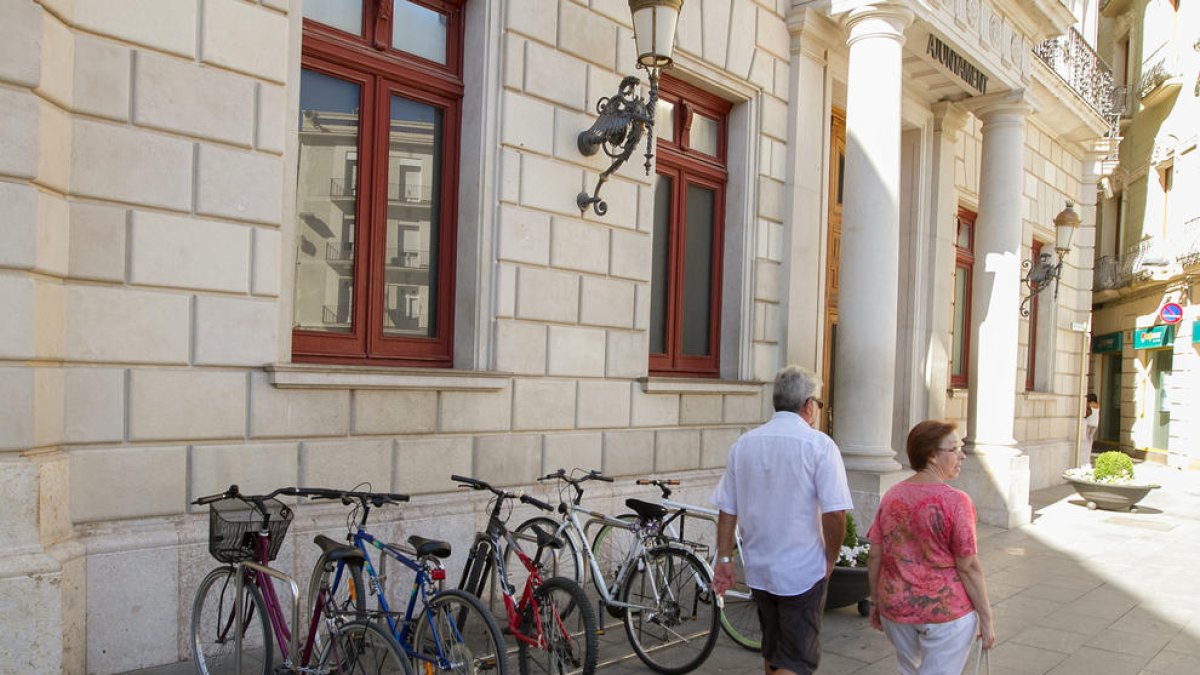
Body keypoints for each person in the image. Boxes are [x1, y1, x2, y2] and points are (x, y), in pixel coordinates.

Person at [711, 365, 853, 675]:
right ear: (807, 405)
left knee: (774, 650)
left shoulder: (745, 444)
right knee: (796, 660)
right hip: (802, 569)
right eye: (818, 403)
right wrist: (831, 556)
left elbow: (727, 508)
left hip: (760, 566)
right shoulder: (819, 445)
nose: (817, 410)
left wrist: (723, 558)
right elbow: (835, 513)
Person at [867, 420, 995, 675]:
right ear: (932, 455)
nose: (962, 455)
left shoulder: (892, 495)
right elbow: (968, 566)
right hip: (946, 614)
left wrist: (877, 602)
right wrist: (987, 618)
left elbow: (875, 554)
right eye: (955, 449)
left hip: (897, 608)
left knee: (908, 670)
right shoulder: (956, 502)